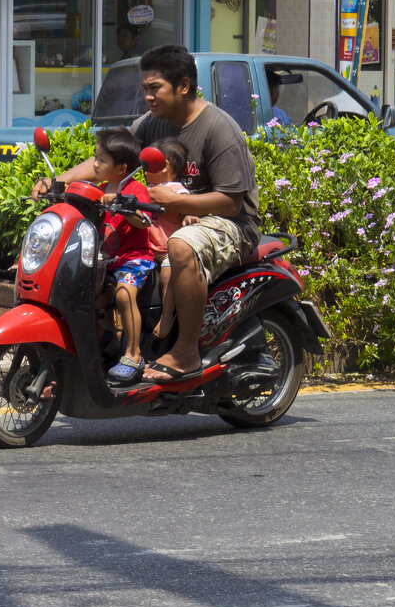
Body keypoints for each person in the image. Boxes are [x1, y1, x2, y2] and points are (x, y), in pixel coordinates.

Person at [32, 44, 259, 383]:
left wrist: (175, 201)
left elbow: (231, 203)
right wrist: (58, 181)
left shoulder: (218, 129)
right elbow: (110, 160)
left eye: (156, 88)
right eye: (146, 89)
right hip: (168, 219)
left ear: (183, 86)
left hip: (229, 223)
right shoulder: (152, 124)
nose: (149, 97)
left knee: (182, 245)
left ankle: (186, 352)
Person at [93, 128, 156, 385]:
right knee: (88, 291)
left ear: (121, 168)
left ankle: (133, 355)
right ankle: (108, 345)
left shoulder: (135, 188)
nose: (95, 164)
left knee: (123, 293)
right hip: (107, 260)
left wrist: (126, 207)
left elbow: (144, 222)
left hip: (135, 258)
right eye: (95, 158)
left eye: (101, 160)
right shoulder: (99, 189)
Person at [144, 137, 192, 341]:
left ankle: (166, 317)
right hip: (147, 249)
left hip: (166, 251)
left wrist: (190, 215)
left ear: (164, 166)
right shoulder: (146, 189)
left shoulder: (177, 191)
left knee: (167, 277)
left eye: (149, 165)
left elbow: (188, 207)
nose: (144, 171)